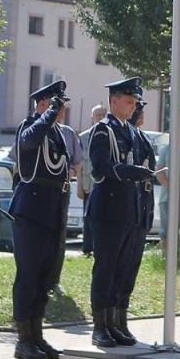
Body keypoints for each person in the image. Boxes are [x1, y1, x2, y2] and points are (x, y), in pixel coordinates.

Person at [87, 76, 161, 347]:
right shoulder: (103, 130)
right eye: (129, 101)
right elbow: (101, 167)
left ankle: (117, 321)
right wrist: (133, 172)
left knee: (125, 269)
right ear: (114, 100)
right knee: (106, 269)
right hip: (108, 210)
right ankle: (100, 326)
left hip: (130, 210)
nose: (133, 107)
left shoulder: (131, 132)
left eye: (134, 103)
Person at [8, 79, 70, 359]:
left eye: (62, 105)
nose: (62, 110)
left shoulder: (56, 134)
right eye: (57, 104)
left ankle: (37, 334)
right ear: (43, 103)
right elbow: (29, 141)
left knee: (45, 277)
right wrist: (48, 114)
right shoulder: (29, 126)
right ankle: (23, 340)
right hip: (31, 212)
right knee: (29, 276)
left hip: (52, 211)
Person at [114, 96, 163, 335]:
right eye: (137, 108)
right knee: (120, 266)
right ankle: (114, 318)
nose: (140, 112)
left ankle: (122, 316)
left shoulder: (142, 138)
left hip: (143, 205)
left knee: (132, 267)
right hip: (129, 206)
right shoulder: (126, 138)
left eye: (140, 108)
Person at [48, 100, 82, 295]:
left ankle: (54, 279)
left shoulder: (68, 133)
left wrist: (72, 171)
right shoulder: (36, 129)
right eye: (58, 108)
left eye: (63, 108)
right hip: (41, 191)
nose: (61, 112)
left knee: (59, 234)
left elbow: (78, 162)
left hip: (62, 190)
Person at [78, 104, 105, 255]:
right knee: (87, 218)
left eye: (103, 115)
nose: (100, 118)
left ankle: (100, 249)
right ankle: (87, 249)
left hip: (104, 186)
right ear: (92, 117)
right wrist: (79, 186)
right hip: (88, 186)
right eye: (97, 115)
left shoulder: (110, 135)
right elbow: (79, 164)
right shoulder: (83, 137)